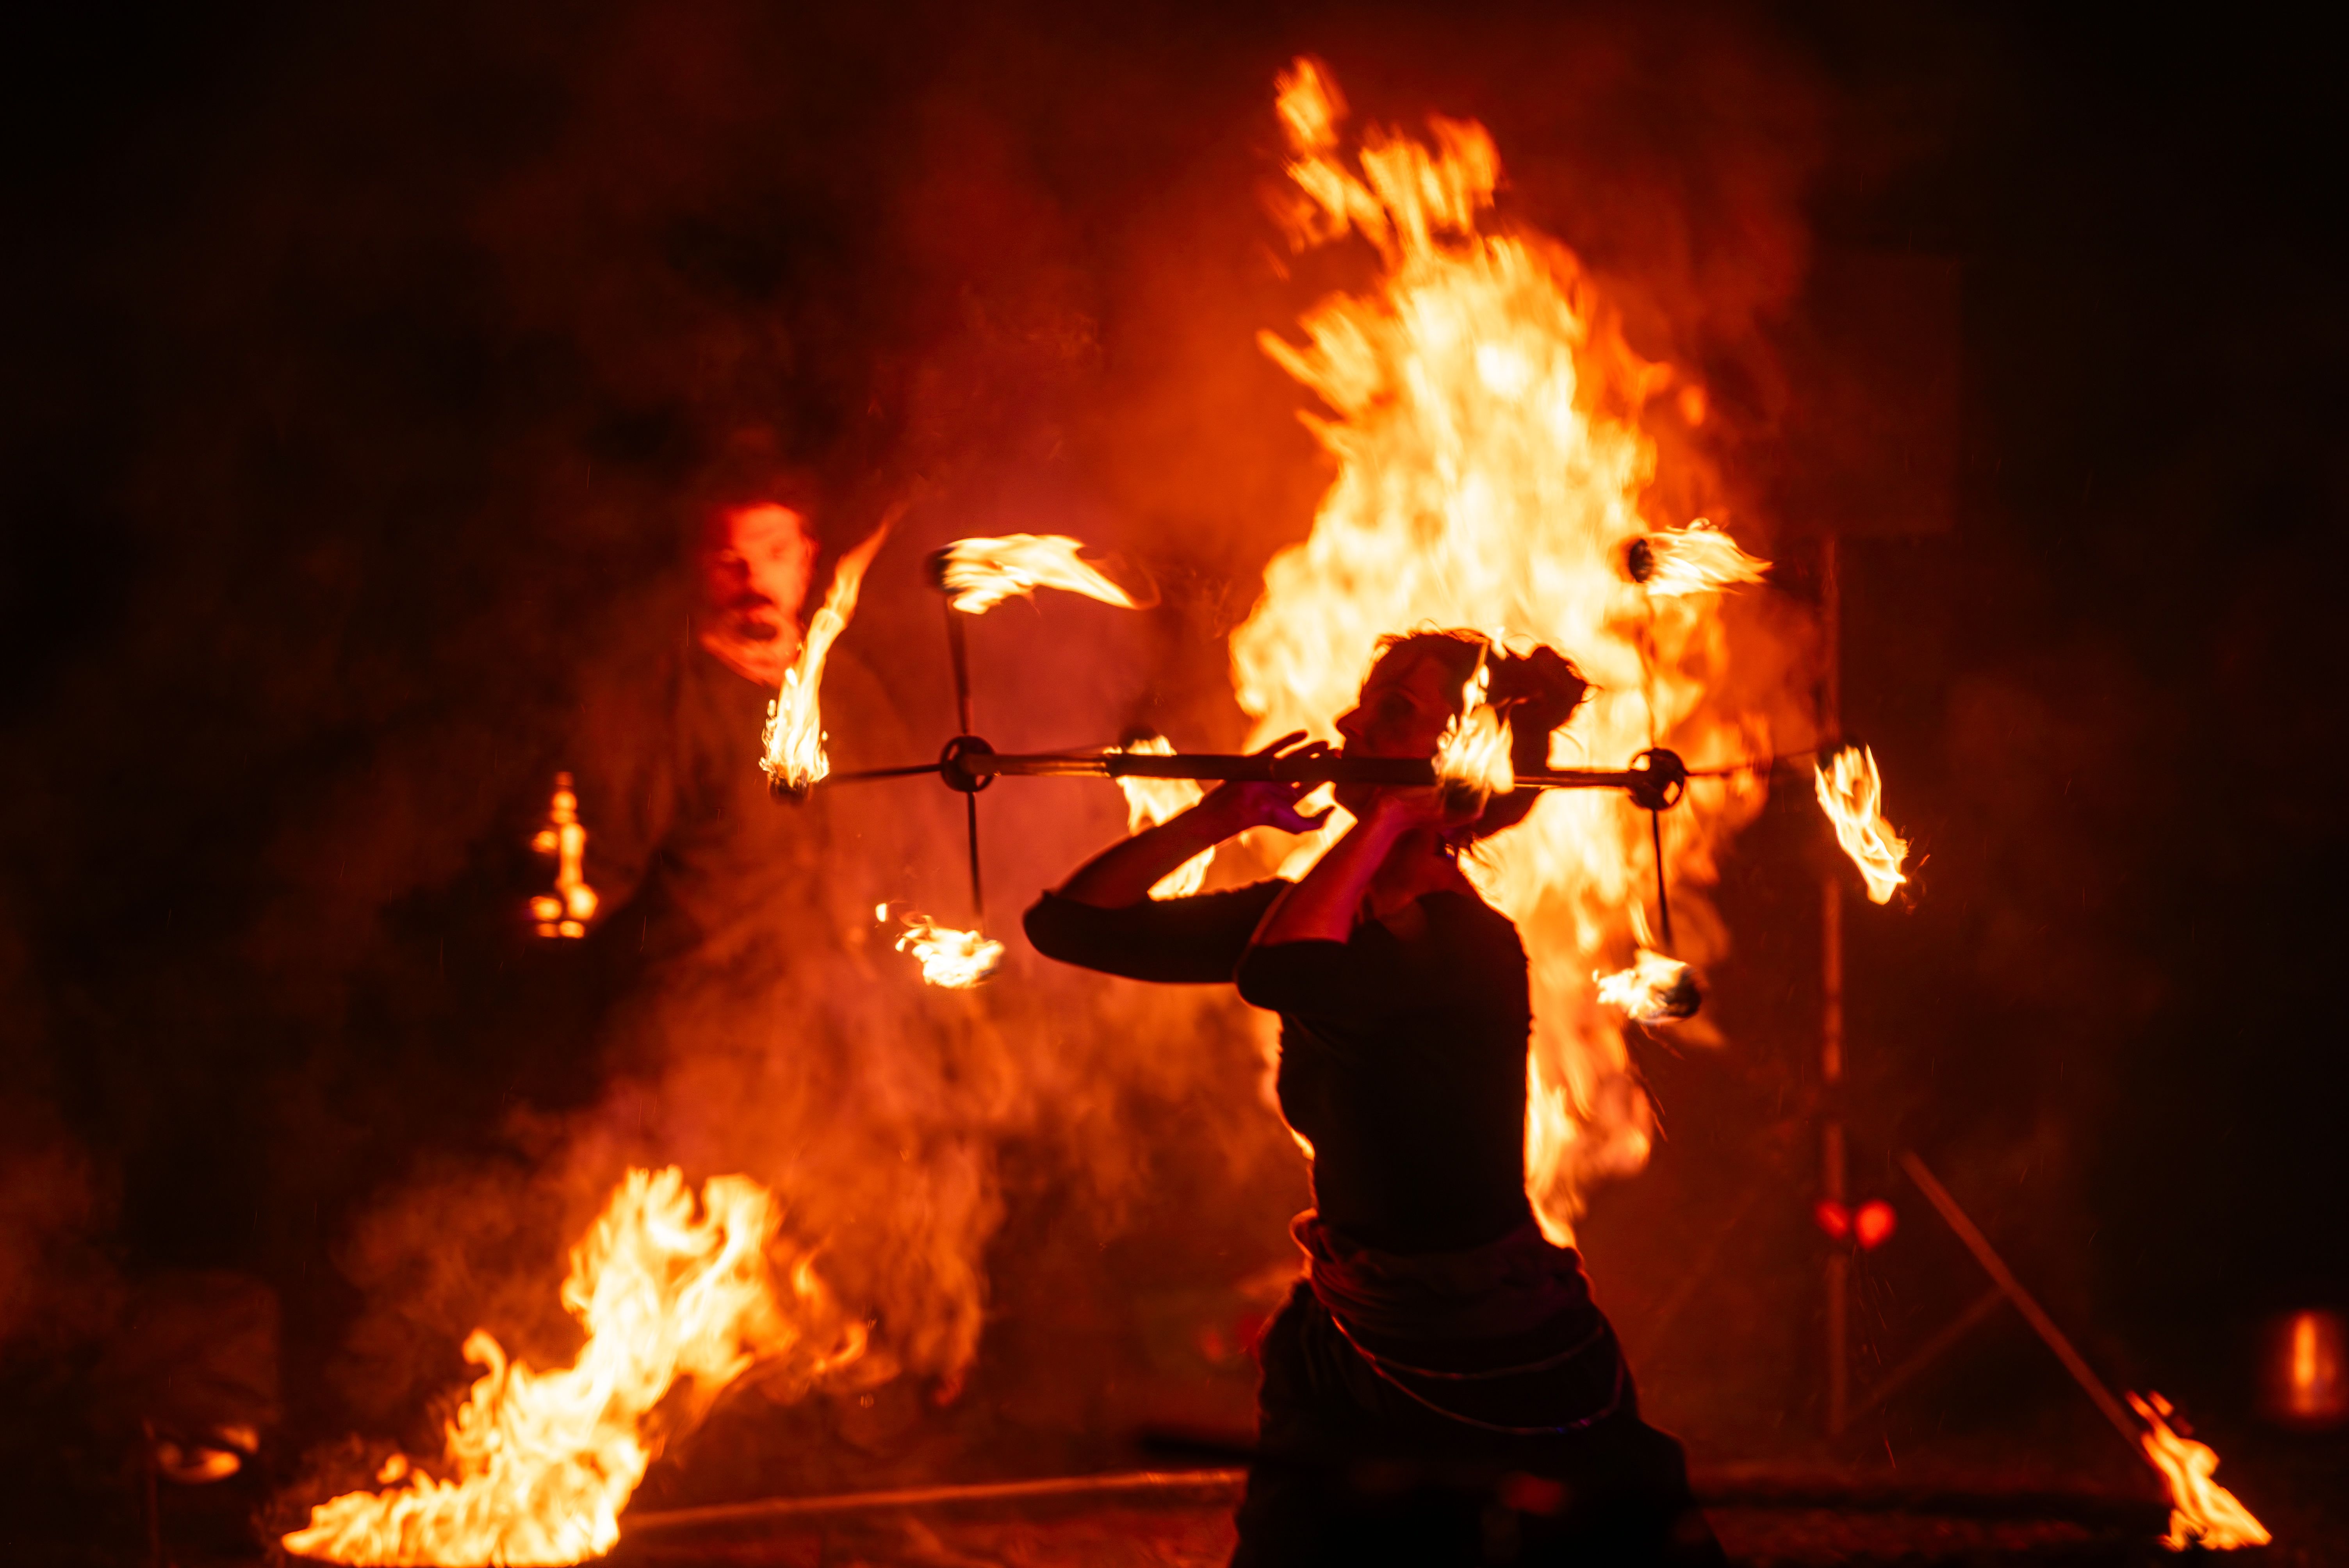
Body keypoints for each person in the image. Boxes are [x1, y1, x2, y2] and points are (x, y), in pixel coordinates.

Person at [1024, 630, 1722, 1566]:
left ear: (1456, 763)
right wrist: (1217, 818)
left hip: (1485, 1354)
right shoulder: (1312, 913)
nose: (1348, 721)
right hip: (1345, 1332)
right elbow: (1071, 926)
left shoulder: (1464, 946)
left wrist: (1390, 821)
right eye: (1364, 699)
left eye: (1392, 709)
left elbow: (1280, 972)